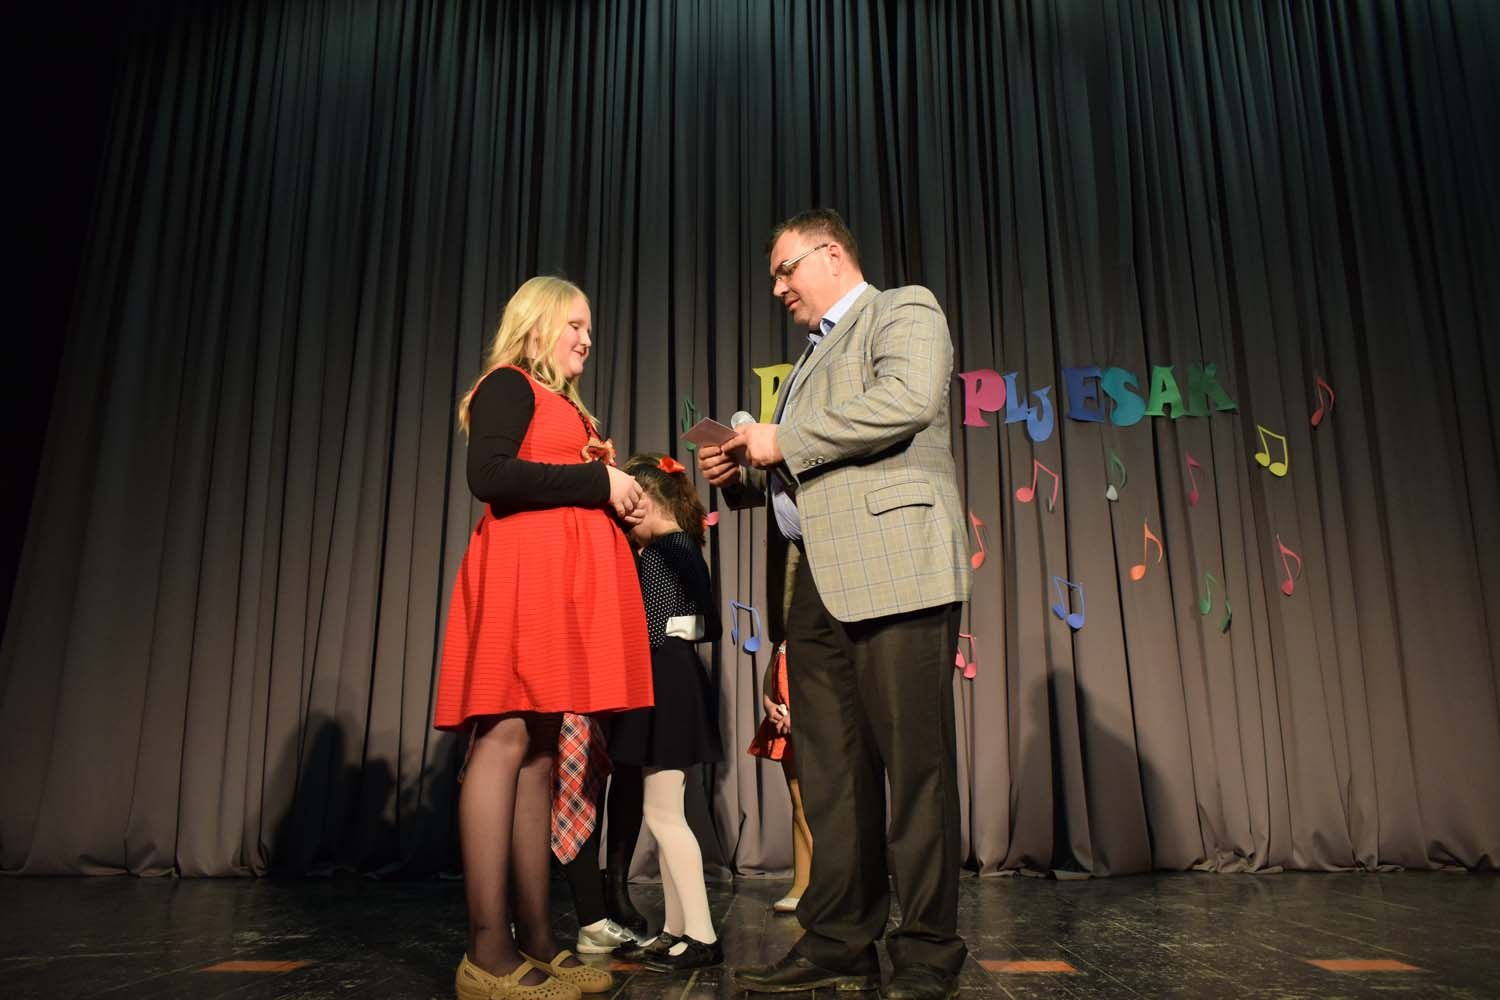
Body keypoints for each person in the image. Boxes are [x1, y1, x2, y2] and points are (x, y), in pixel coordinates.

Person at [698, 210, 971, 1000]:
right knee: (831, 774)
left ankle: (927, 952)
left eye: (786, 269)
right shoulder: (808, 361)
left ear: (831, 253)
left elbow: (905, 400)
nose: (777, 287)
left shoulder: (902, 309)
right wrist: (743, 470)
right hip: (814, 582)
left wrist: (780, 439)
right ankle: (839, 941)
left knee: (915, 769)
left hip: (895, 569)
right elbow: (809, 470)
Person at [435, 276, 655, 1000]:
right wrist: (598, 483)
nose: (587, 338)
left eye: (590, 327)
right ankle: (486, 953)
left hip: (552, 591)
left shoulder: (562, 401)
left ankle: (535, 941)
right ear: (536, 326)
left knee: (539, 753)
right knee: (504, 739)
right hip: (521, 585)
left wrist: (610, 490)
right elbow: (490, 474)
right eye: (575, 325)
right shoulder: (509, 383)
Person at [606, 454, 725, 972]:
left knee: (663, 815)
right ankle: (677, 929)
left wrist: (671, 630)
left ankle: (701, 935)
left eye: (629, 509)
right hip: (663, 675)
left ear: (649, 502)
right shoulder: (667, 546)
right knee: (662, 811)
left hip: (667, 678)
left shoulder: (671, 545)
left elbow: (705, 623)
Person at [746, 554, 813, 915]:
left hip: (812, 721)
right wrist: (768, 700)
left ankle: (828, 887)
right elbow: (775, 665)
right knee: (798, 802)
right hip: (784, 720)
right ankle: (803, 883)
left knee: (815, 805)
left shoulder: (816, 629)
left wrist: (801, 712)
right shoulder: (785, 630)